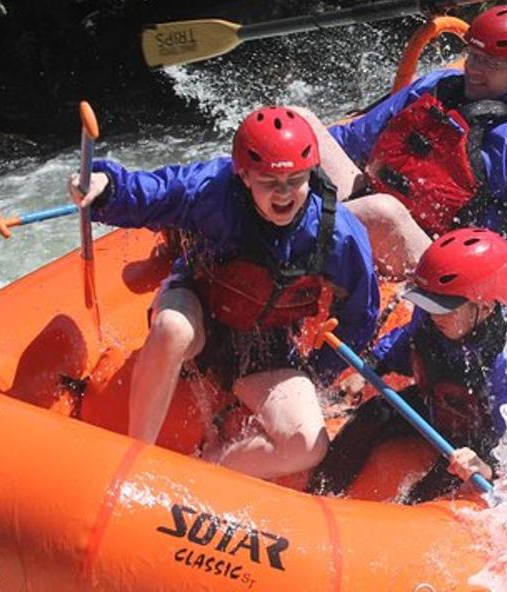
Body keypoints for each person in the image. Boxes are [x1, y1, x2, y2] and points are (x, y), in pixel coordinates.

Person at [68, 106, 381, 479]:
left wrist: (316, 373)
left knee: (307, 446)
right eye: (269, 181)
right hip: (198, 308)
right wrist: (106, 186)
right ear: (244, 175)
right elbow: (154, 192)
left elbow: (361, 315)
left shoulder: (338, 232)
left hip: (266, 346)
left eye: (295, 180)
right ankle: (136, 459)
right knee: (172, 329)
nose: (284, 194)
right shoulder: (212, 189)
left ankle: (207, 469)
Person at [298, 4, 507, 277]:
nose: (474, 69)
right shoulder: (439, 84)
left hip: (437, 262)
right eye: (473, 55)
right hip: (371, 203)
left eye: (490, 63)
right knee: (300, 122)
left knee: (383, 212)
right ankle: (295, 228)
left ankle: (299, 239)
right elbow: (352, 139)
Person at [308, 228, 507, 501]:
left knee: (445, 477)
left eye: (443, 308)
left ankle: (408, 513)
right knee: (373, 413)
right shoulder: (432, 317)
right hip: (434, 408)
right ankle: (319, 492)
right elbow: (405, 340)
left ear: (486, 308)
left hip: (479, 441)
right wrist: (371, 367)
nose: (433, 316)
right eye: (428, 304)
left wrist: (487, 467)